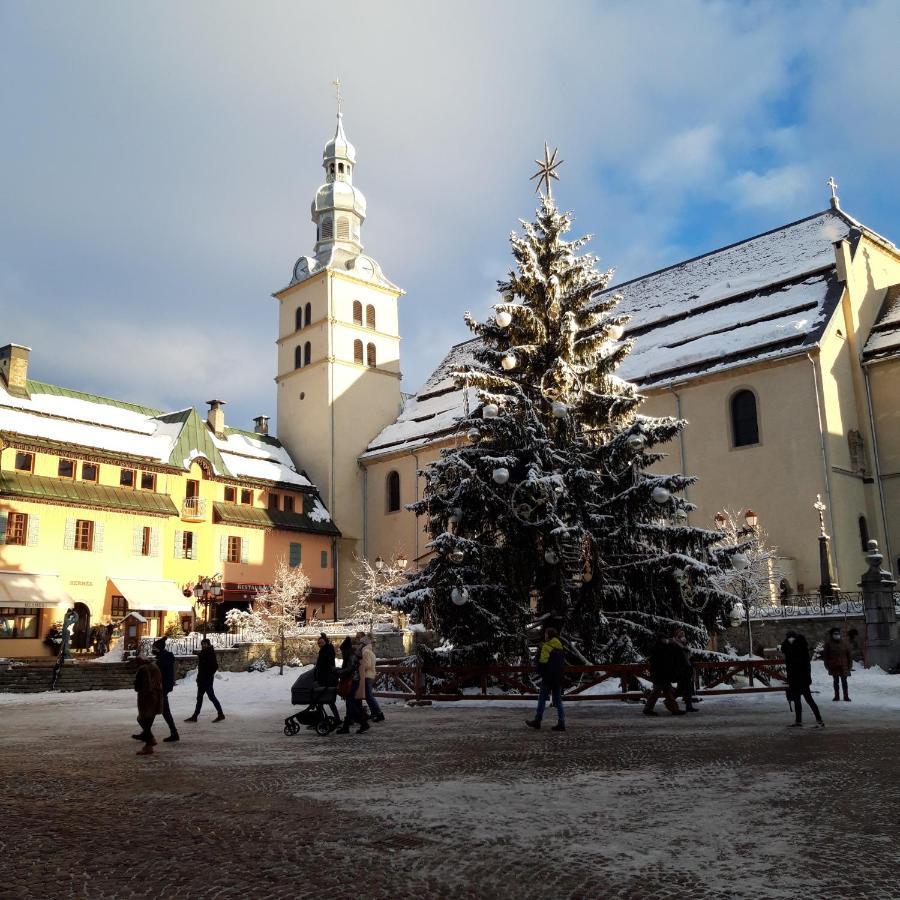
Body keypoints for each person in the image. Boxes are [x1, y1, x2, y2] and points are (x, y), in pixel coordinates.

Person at [525, 627, 567, 731]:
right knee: (558, 701)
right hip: (558, 678)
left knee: (542, 699)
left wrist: (540, 650)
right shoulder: (560, 646)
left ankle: (537, 721)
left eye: (546, 634)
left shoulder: (546, 647)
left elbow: (542, 662)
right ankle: (561, 723)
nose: (544, 635)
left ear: (548, 635)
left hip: (548, 678)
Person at [781, 630, 824, 727]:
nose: (790, 640)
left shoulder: (801, 648)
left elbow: (806, 665)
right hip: (794, 678)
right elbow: (789, 666)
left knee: (808, 699)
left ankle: (819, 720)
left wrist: (807, 678)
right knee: (797, 700)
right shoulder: (788, 649)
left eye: (791, 638)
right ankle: (798, 720)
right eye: (789, 638)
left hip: (802, 679)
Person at [643, 634, 685, 716]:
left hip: (664, 675)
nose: (665, 640)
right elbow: (657, 663)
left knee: (666, 693)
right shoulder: (658, 649)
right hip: (659, 675)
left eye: (666, 638)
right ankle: (673, 710)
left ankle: (674, 709)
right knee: (657, 693)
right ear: (660, 639)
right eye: (664, 639)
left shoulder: (666, 648)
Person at [184, 638, 225, 723]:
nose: (203, 646)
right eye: (202, 644)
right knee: (199, 698)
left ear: (208, 644)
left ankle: (221, 714)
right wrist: (199, 677)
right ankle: (195, 716)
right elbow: (201, 667)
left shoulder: (210, 653)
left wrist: (209, 675)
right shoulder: (203, 653)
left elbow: (215, 666)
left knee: (211, 697)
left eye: (205, 644)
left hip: (207, 680)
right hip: (201, 680)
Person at [335, 635, 368, 734]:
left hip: (352, 681)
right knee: (350, 705)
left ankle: (363, 723)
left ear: (346, 649)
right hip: (353, 680)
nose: (341, 653)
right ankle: (346, 727)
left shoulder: (351, 656)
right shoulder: (351, 655)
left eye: (342, 651)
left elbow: (349, 670)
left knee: (350, 704)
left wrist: (338, 672)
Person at [133, 654, 163, 755]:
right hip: (156, 696)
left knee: (142, 719)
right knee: (148, 720)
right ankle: (148, 743)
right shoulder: (154, 666)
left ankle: (149, 741)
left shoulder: (143, 669)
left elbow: (143, 685)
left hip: (147, 698)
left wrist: (140, 688)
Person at [152, 637, 179, 742]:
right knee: (158, 710)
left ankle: (174, 733)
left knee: (163, 711)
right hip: (162, 688)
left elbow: (161, 674)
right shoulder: (163, 657)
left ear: (158, 648)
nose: (152, 649)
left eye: (154, 647)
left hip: (162, 688)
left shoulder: (164, 659)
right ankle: (146, 732)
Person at [313, 632, 341, 727]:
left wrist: (318, 668)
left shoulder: (327, 650)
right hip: (325, 678)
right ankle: (324, 719)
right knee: (325, 700)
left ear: (325, 642)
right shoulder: (326, 649)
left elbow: (326, 664)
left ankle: (321, 720)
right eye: (318, 643)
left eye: (321, 642)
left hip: (326, 679)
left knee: (324, 699)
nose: (319, 644)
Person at [358, 634, 384, 723]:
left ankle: (379, 713)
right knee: (369, 696)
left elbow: (367, 665)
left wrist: (360, 666)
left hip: (367, 675)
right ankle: (374, 713)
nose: (359, 645)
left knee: (369, 696)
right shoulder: (370, 651)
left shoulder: (365, 652)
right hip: (370, 675)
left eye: (361, 643)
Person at [671, 627, 698, 713]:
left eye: (683, 634)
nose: (682, 635)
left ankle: (688, 706)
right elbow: (677, 658)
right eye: (680, 633)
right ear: (676, 635)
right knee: (684, 688)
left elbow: (688, 655)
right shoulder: (675, 644)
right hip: (681, 669)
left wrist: (691, 660)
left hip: (687, 668)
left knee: (684, 688)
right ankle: (669, 700)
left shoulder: (684, 644)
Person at [822, 627, 852, 702]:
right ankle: (836, 696)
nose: (837, 635)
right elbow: (826, 656)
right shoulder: (829, 644)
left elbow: (849, 655)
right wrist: (827, 665)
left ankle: (846, 696)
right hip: (834, 665)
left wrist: (849, 665)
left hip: (843, 665)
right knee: (836, 681)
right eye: (835, 634)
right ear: (832, 635)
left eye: (838, 633)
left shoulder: (844, 643)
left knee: (844, 682)